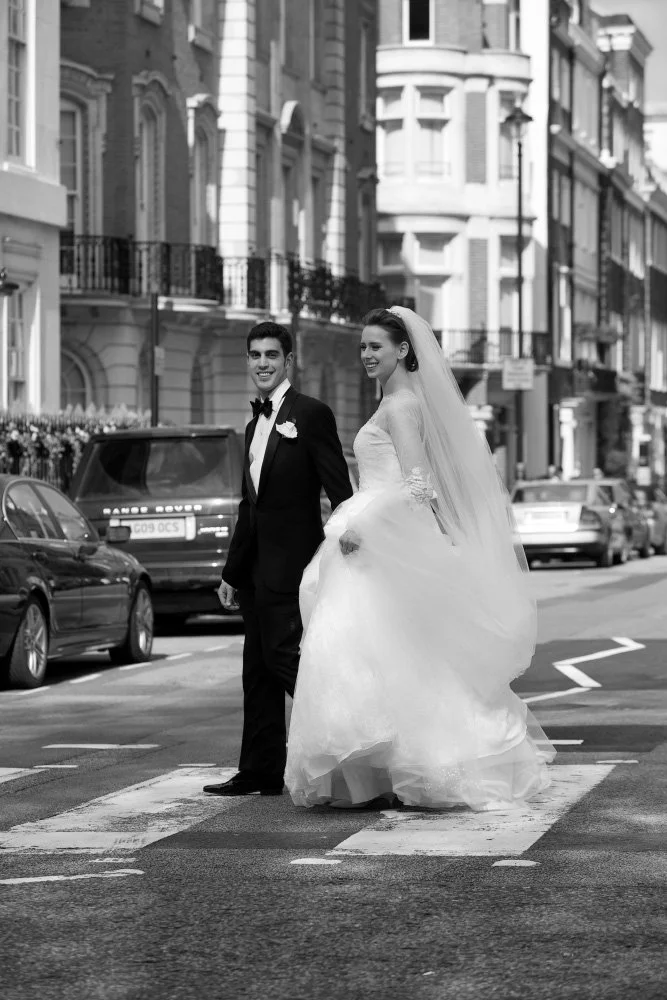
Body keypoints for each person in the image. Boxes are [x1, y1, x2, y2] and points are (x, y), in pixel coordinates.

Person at [285, 306, 555, 810]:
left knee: (392, 651)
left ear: (403, 350)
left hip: (376, 536)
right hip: (366, 534)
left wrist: (364, 526)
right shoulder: (390, 400)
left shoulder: (403, 403)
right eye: (363, 347)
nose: (366, 355)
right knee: (375, 652)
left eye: (376, 347)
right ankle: (377, 772)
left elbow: (416, 484)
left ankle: (426, 761)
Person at [203, 322, 353, 797]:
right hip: (255, 573)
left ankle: (352, 744)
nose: (262, 363)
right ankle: (260, 771)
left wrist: (347, 543)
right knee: (258, 673)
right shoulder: (253, 426)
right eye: (254, 355)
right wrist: (231, 572)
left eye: (271, 355)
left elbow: (339, 489)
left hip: (294, 569)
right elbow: (252, 506)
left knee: (288, 663)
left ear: (289, 361)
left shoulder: (311, 414)